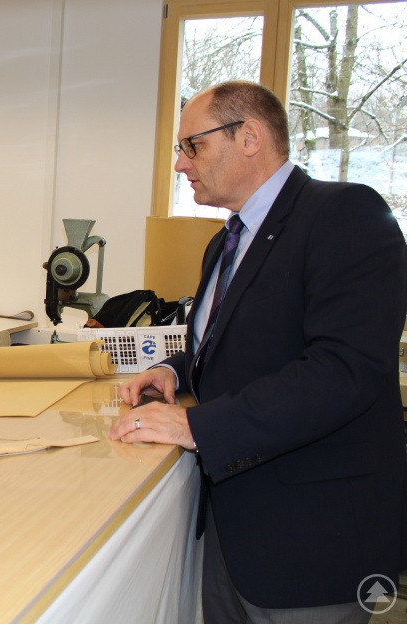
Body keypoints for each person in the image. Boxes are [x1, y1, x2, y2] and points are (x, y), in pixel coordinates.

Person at [109, 81, 407, 622]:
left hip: (312, 539)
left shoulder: (345, 214)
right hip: (233, 534)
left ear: (249, 137)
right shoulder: (225, 241)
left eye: (192, 145)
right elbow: (232, 341)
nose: (180, 163)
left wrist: (195, 426)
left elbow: (344, 370)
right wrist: (174, 370)